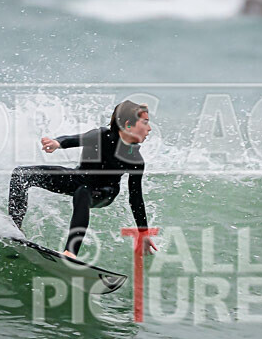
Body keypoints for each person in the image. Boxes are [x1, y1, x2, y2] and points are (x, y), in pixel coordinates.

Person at [8, 100, 158, 259]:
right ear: (128, 125)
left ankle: (70, 252)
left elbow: (135, 198)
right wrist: (56, 143)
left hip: (105, 191)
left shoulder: (135, 159)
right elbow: (72, 139)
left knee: (83, 192)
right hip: (78, 178)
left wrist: (143, 233)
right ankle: (14, 229)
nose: (149, 129)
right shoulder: (100, 136)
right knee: (21, 174)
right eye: (145, 123)